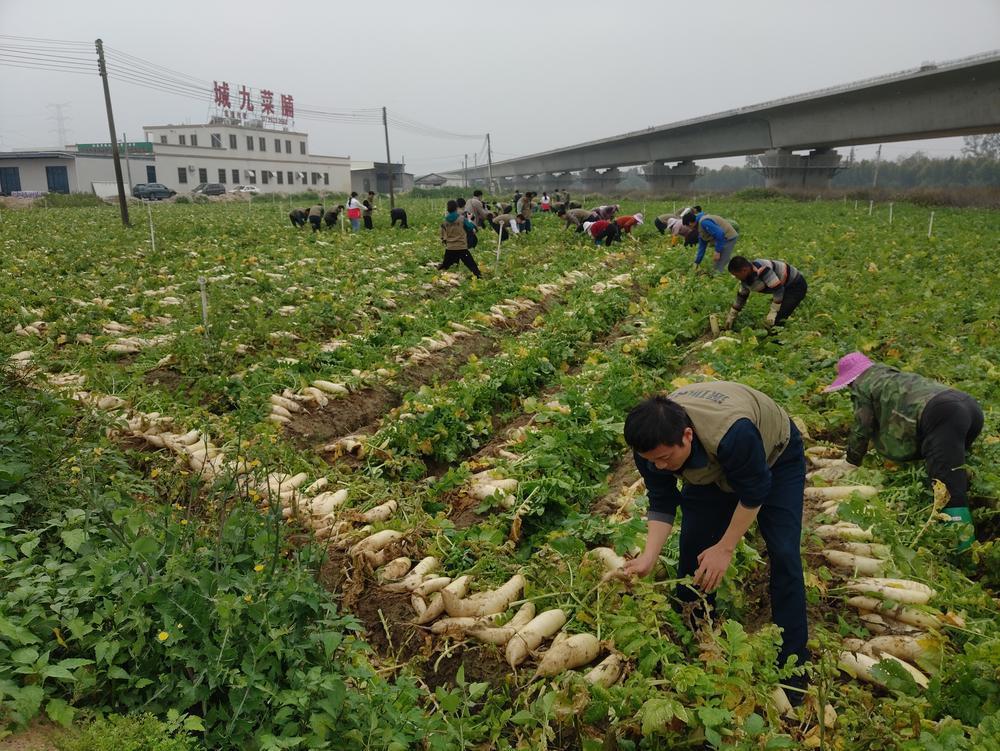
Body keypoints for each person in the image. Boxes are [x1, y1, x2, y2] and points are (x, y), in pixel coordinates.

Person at [622, 383, 810, 700]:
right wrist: (649, 557)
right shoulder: (652, 449)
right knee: (692, 556)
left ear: (687, 436)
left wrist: (725, 547)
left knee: (784, 552)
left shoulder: (733, 434)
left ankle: (791, 673)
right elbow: (662, 500)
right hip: (711, 469)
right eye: (652, 461)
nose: (660, 467)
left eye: (665, 458)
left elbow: (754, 492)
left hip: (775, 459)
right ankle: (697, 646)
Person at [823, 354, 983, 551]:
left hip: (943, 413)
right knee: (954, 468)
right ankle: (962, 524)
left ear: (851, 380)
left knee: (948, 484)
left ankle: (962, 549)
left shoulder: (863, 385)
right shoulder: (888, 376)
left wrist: (851, 460)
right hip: (969, 406)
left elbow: (862, 426)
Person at [724, 256, 808, 329]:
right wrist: (732, 314)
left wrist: (773, 311)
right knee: (774, 318)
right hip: (783, 286)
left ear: (744, 270)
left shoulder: (763, 270)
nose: (736, 277)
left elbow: (778, 290)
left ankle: (776, 344)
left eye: (736, 275)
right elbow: (742, 296)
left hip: (795, 285)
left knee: (777, 319)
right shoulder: (745, 278)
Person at [683, 209, 739, 273]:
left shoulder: (704, 222)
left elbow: (720, 234)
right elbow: (702, 246)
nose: (689, 228)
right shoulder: (698, 227)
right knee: (720, 260)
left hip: (728, 237)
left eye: (687, 226)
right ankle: (730, 269)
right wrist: (697, 262)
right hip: (723, 239)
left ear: (690, 223)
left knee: (718, 264)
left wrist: (717, 251)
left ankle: (720, 277)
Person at [439, 199, 482, 278]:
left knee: (445, 265)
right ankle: (479, 276)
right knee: (472, 265)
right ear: (456, 208)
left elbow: (442, 235)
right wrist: (469, 219)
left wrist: (445, 241)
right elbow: (471, 227)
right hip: (461, 246)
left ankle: (441, 277)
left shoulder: (445, 221)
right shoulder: (461, 219)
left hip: (450, 247)